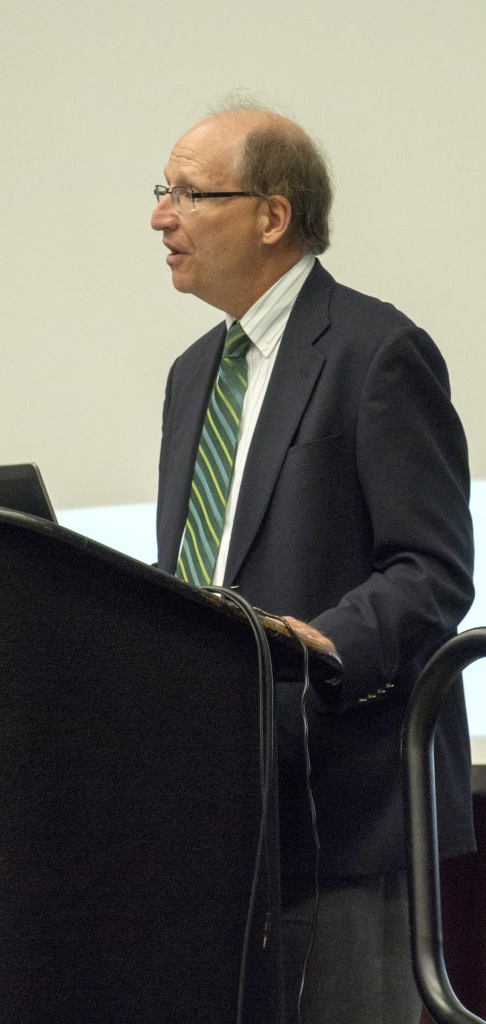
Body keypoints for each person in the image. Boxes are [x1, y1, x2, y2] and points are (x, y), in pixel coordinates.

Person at [151, 100, 475, 1023]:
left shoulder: (377, 353)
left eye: (187, 193)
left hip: (344, 804)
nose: (160, 216)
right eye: (161, 191)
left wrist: (320, 643)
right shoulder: (190, 376)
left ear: (272, 215)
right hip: (220, 809)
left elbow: (435, 569)